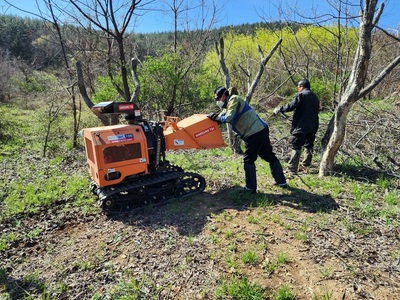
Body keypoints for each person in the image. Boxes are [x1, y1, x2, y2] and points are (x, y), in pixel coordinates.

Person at [208, 86, 287, 193]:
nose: (217, 101)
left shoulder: (234, 99)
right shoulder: (228, 105)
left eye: (218, 99)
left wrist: (217, 118)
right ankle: (281, 182)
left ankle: (250, 188)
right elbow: (222, 116)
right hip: (260, 129)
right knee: (268, 155)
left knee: (248, 160)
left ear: (224, 95)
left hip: (254, 132)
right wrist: (214, 118)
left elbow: (228, 117)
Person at [273, 79, 320, 175]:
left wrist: (279, 109)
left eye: (298, 87)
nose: (298, 89)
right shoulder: (315, 97)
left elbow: (291, 106)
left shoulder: (301, 95)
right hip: (313, 126)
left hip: (301, 126)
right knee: (309, 145)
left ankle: (292, 169)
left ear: (301, 86)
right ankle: (306, 164)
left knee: (296, 146)